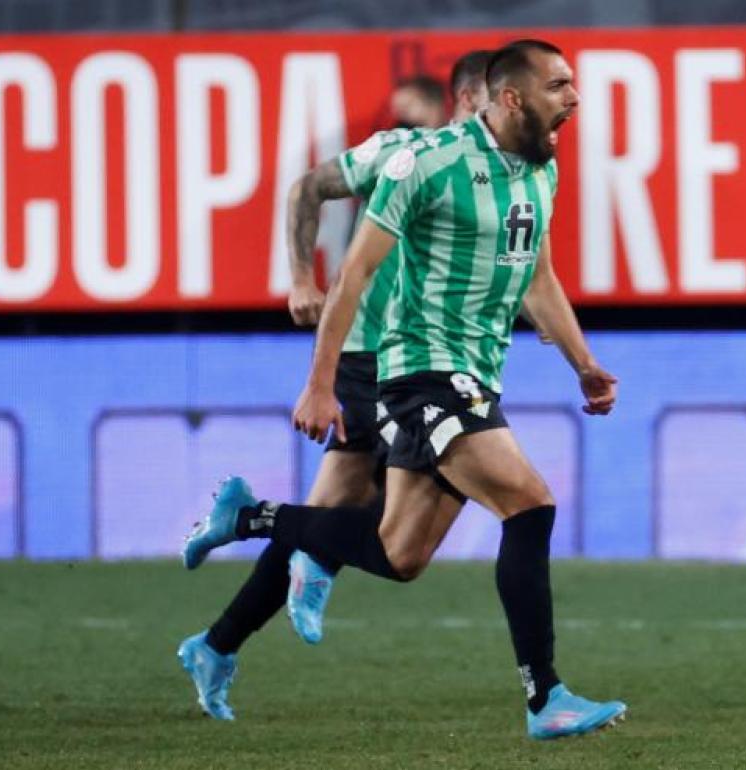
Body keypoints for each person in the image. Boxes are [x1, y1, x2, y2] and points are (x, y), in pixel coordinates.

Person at [183, 40, 627, 740]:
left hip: (477, 374)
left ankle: (250, 518)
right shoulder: (424, 161)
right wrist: (319, 384)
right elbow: (355, 273)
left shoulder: (541, 171)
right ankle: (546, 698)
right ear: (508, 97)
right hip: (422, 371)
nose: (574, 97)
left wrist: (583, 363)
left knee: (400, 555)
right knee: (530, 505)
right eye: (560, 85)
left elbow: (538, 278)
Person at [175, 50, 493, 721]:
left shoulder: (497, 178)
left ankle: (220, 634)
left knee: (342, 514)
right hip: (374, 358)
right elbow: (305, 189)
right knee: (398, 520)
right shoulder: (407, 153)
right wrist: (299, 278)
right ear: (473, 99)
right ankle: (263, 547)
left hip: (426, 361)